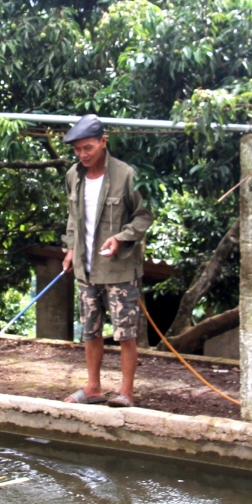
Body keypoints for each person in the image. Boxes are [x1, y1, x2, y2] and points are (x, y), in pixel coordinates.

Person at [60, 114, 154, 408]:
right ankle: (93, 387)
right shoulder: (73, 175)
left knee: (125, 333)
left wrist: (121, 238)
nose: (83, 155)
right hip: (86, 269)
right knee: (90, 330)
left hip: (119, 269)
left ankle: (126, 392)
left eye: (88, 148)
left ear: (103, 141)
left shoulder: (126, 175)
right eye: (77, 150)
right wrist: (70, 248)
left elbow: (144, 216)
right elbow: (72, 217)